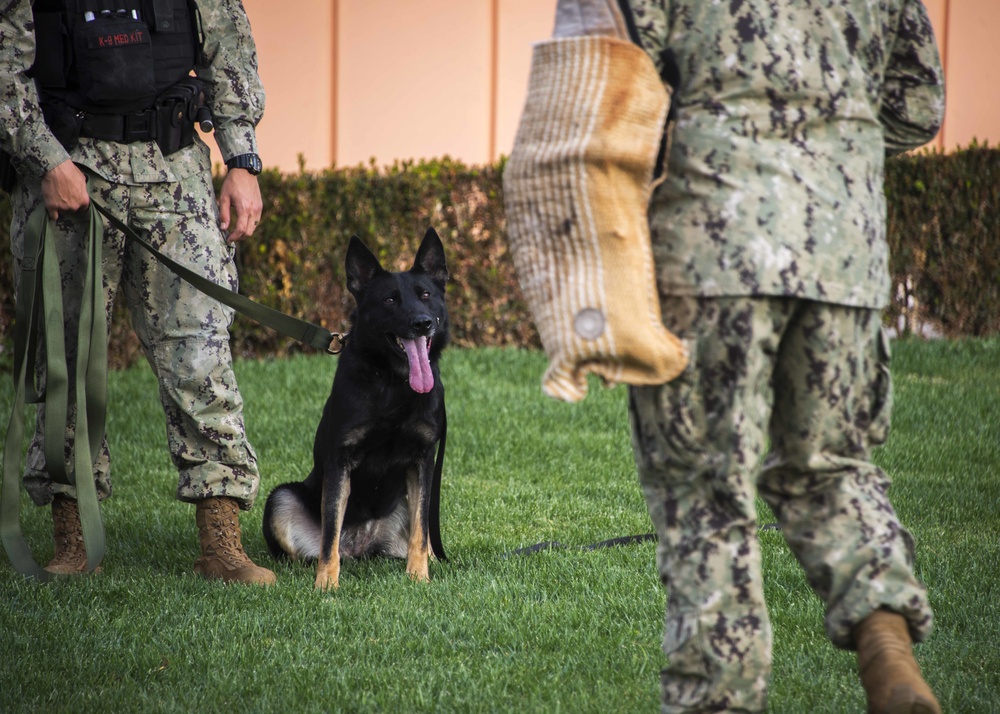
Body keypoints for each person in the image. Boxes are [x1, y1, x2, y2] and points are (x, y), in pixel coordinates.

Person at [616, 1, 946, 712]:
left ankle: (720, 701)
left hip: (711, 244)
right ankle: (885, 649)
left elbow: (609, 71)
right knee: (830, 469)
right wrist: (818, 158)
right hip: (842, 246)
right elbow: (918, 104)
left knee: (706, 497)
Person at [0, 0, 274, 585]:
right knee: (65, 360)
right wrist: (44, 159)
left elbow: (230, 50)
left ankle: (221, 543)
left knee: (201, 356)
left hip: (175, 177)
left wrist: (243, 161)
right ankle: (74, 540)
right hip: (69, 177)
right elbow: (6, 69)